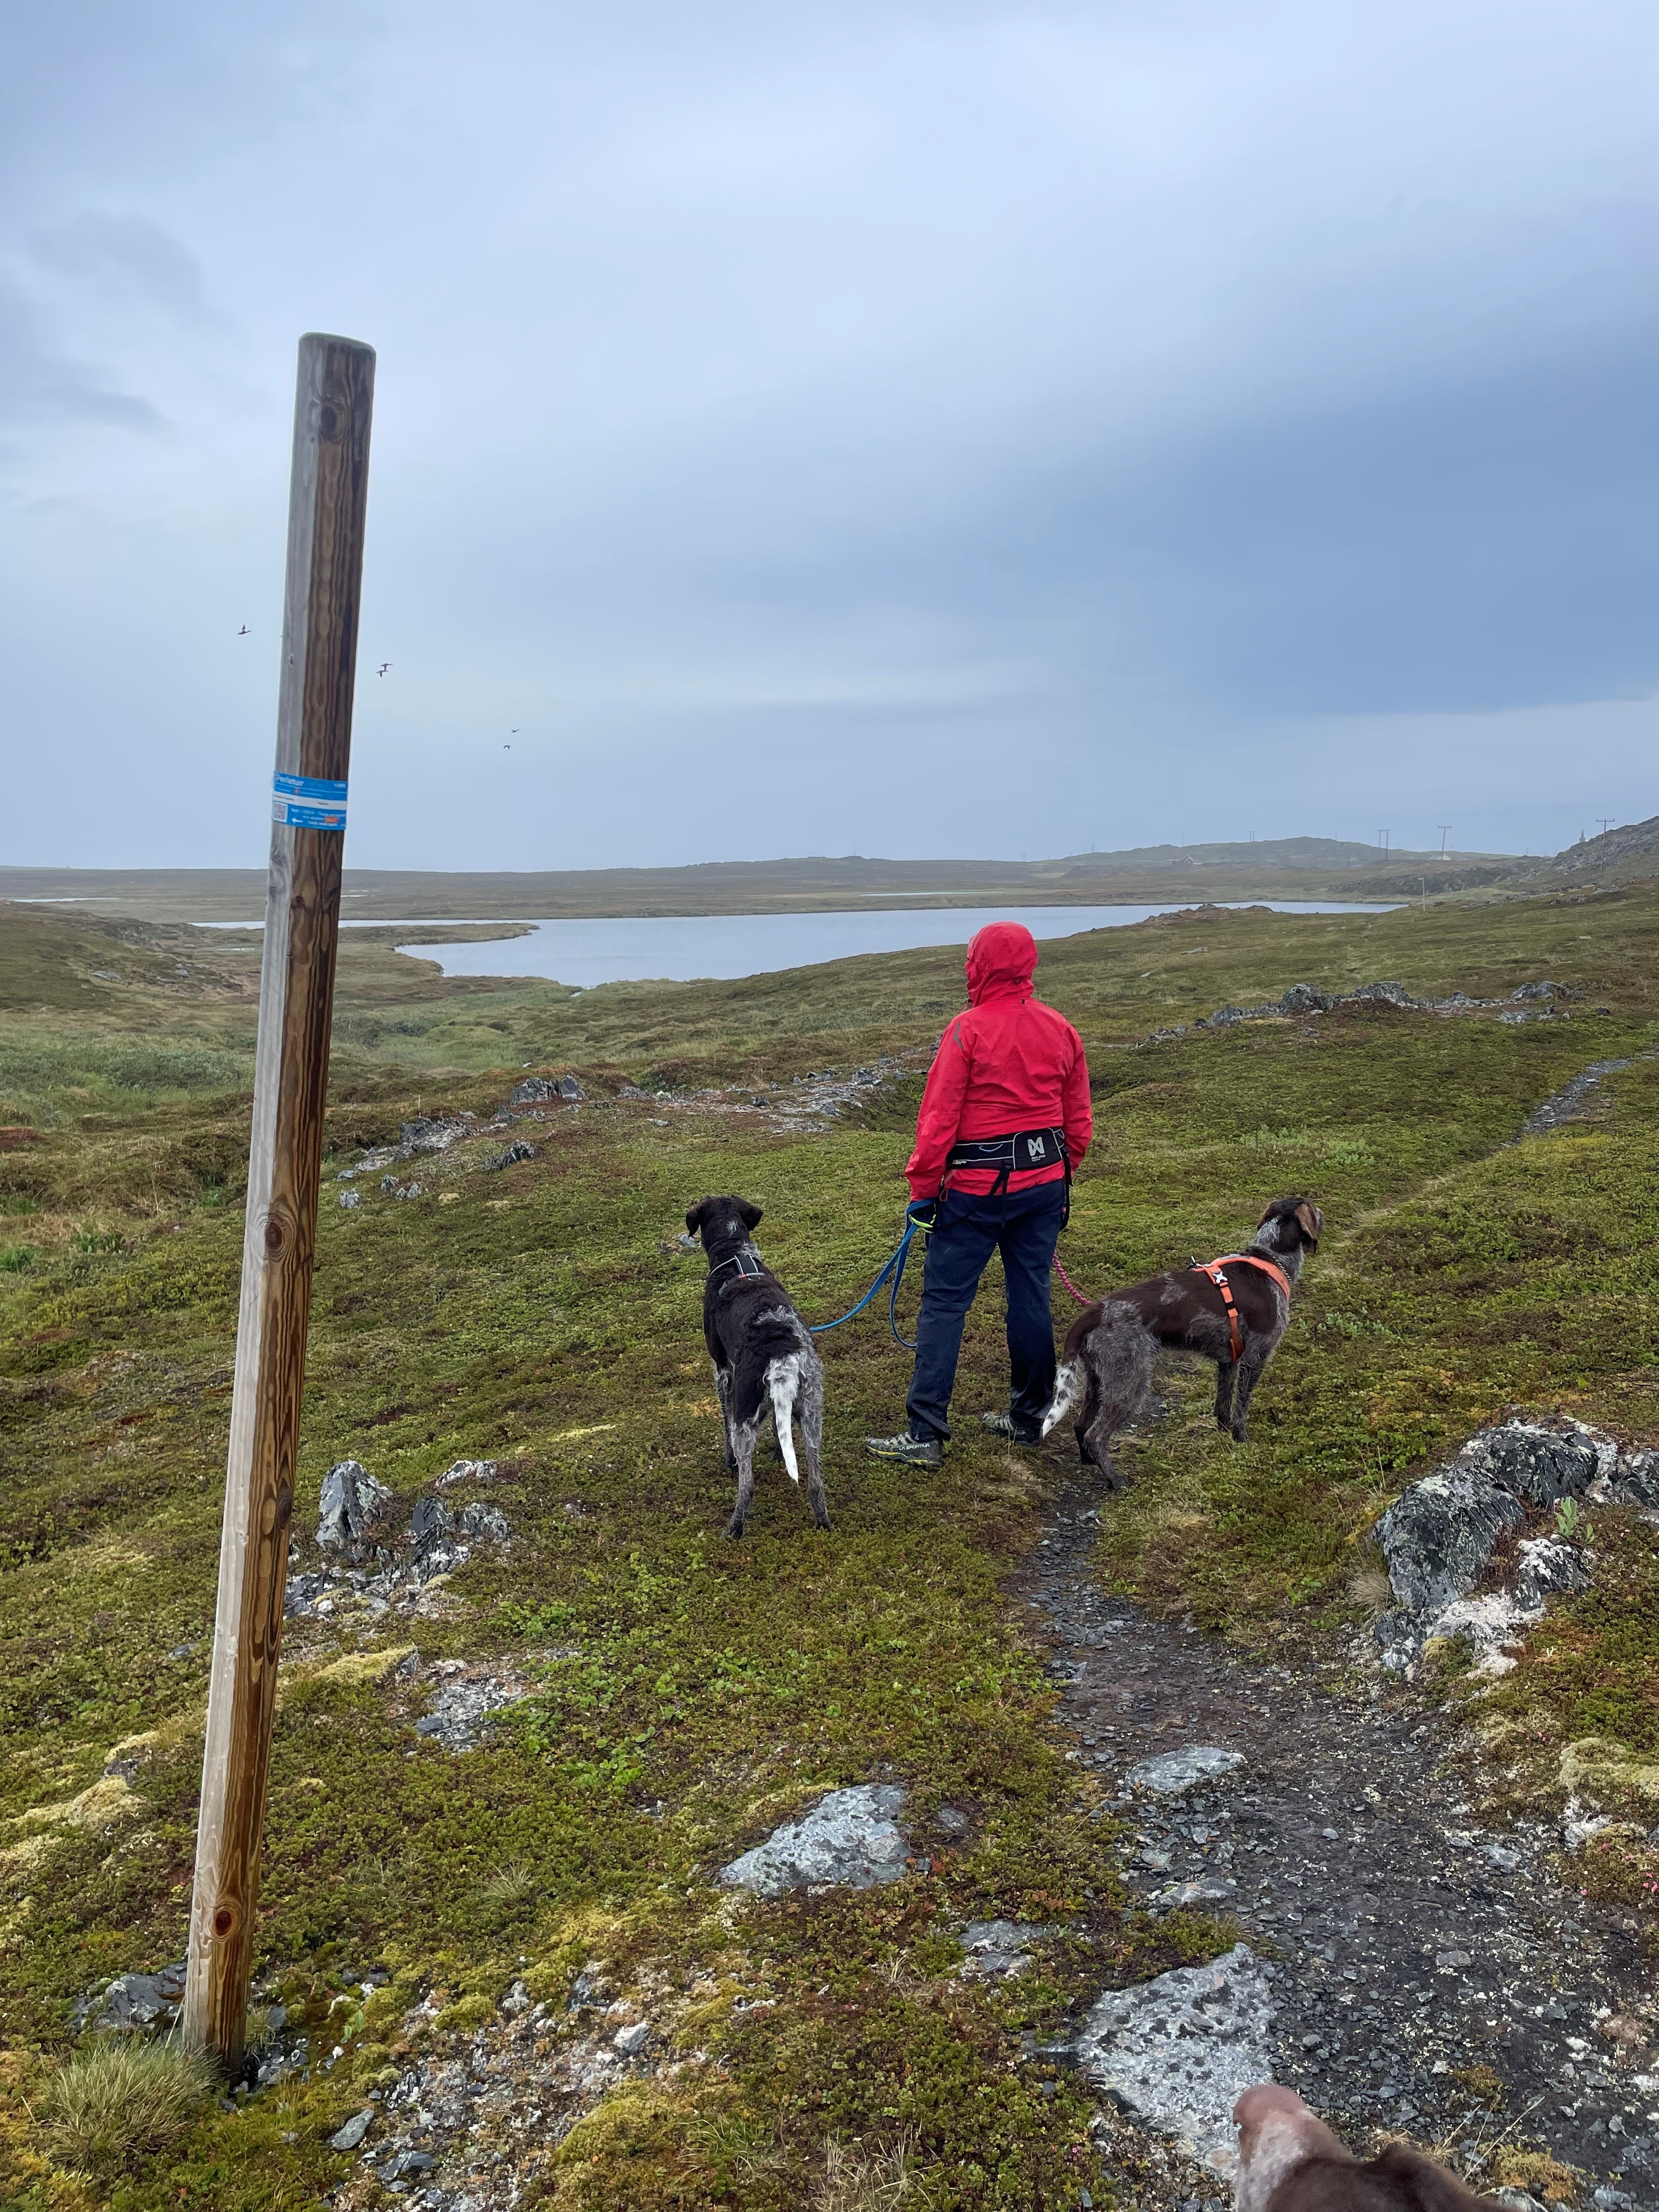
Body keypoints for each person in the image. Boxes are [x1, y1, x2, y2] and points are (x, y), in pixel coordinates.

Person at [865, 920, 1092, 1466]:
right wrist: (1058, 1176)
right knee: (1030, 1297)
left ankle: (925, 1435)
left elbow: (938, 1121)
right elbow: (1077, 1124)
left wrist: (923, 1190)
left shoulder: (966, 1030)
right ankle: (1029, 1417)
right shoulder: (1061, 1029)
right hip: (1043, 1188)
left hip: (972, 1193)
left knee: (944, 1304)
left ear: (981, 965)